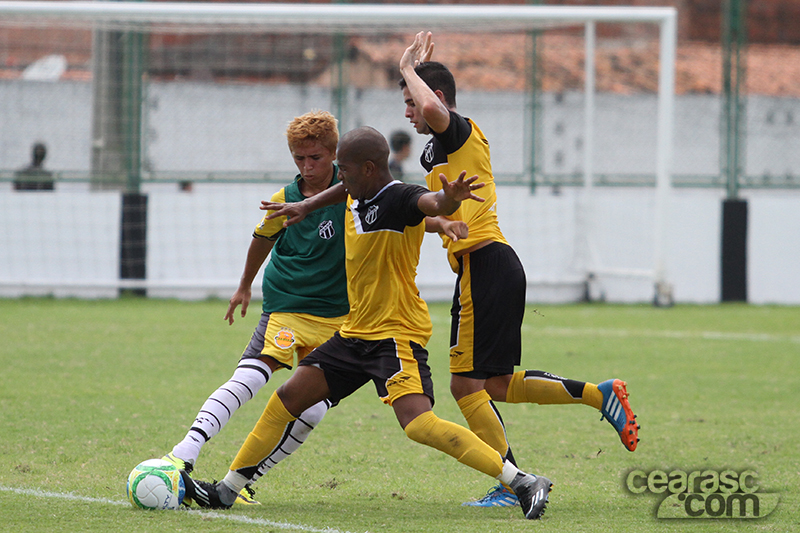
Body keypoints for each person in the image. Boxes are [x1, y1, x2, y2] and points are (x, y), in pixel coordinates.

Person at [179, 126, 553, 520]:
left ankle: (523, 481)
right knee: (288, 399)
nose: (340, 178)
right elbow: (345, 192)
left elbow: (427, 202)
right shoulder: (359, 193)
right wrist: (306, 207)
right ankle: (226, 490)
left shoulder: (400, 196)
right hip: (354, 333)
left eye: (346, 171)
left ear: (371, 169)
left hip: (394, 335)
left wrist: (447, 202)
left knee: (418, 424)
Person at [398, 32, 640, 507]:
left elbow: (431, 112)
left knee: (465, 385)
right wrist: (432, 220)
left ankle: (511, 483)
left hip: (485, 266)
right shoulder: (437, 152)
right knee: (495, 385)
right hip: (491, 265)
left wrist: (408, 69)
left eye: (409, 101)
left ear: (437, 98)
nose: (407, 112)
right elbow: (436, 213)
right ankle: (600, 395)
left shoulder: (459, 128)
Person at [162, 110, 349, 505]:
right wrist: (244, 285)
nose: (307, 166)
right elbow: (261, 239)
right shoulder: (284, 199)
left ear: (333, 153)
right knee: (252, 376)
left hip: (338, 316)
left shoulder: (354, 191)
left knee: (312, 411)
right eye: (299, 158)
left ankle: (244, 479)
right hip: (288, 305)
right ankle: (182, 454)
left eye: (315, 158)